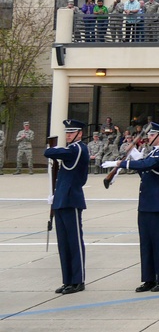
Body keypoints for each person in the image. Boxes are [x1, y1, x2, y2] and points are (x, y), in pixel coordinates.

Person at [104, 122, 159, 292]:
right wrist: (133, 158)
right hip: (146, 203)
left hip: (158, 204)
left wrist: (122, 164)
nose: (149, 137)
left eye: (152, 135)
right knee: (146, 243)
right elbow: (145, 171)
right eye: (149, 135)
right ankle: (149, 278)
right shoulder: (153, 153)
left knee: (157, 242)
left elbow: (146, 166)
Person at [44, 119, 90, 294]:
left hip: (72, 199)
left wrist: (54, 149)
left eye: (71, 133)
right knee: (64, 243)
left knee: (74, 241)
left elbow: (47, 152)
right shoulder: (69, 149)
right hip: (62, 199)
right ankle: (68, 280)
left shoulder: (78, 149)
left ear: (80, 133)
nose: (68, 135)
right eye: (67, 133)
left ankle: (78, 280)